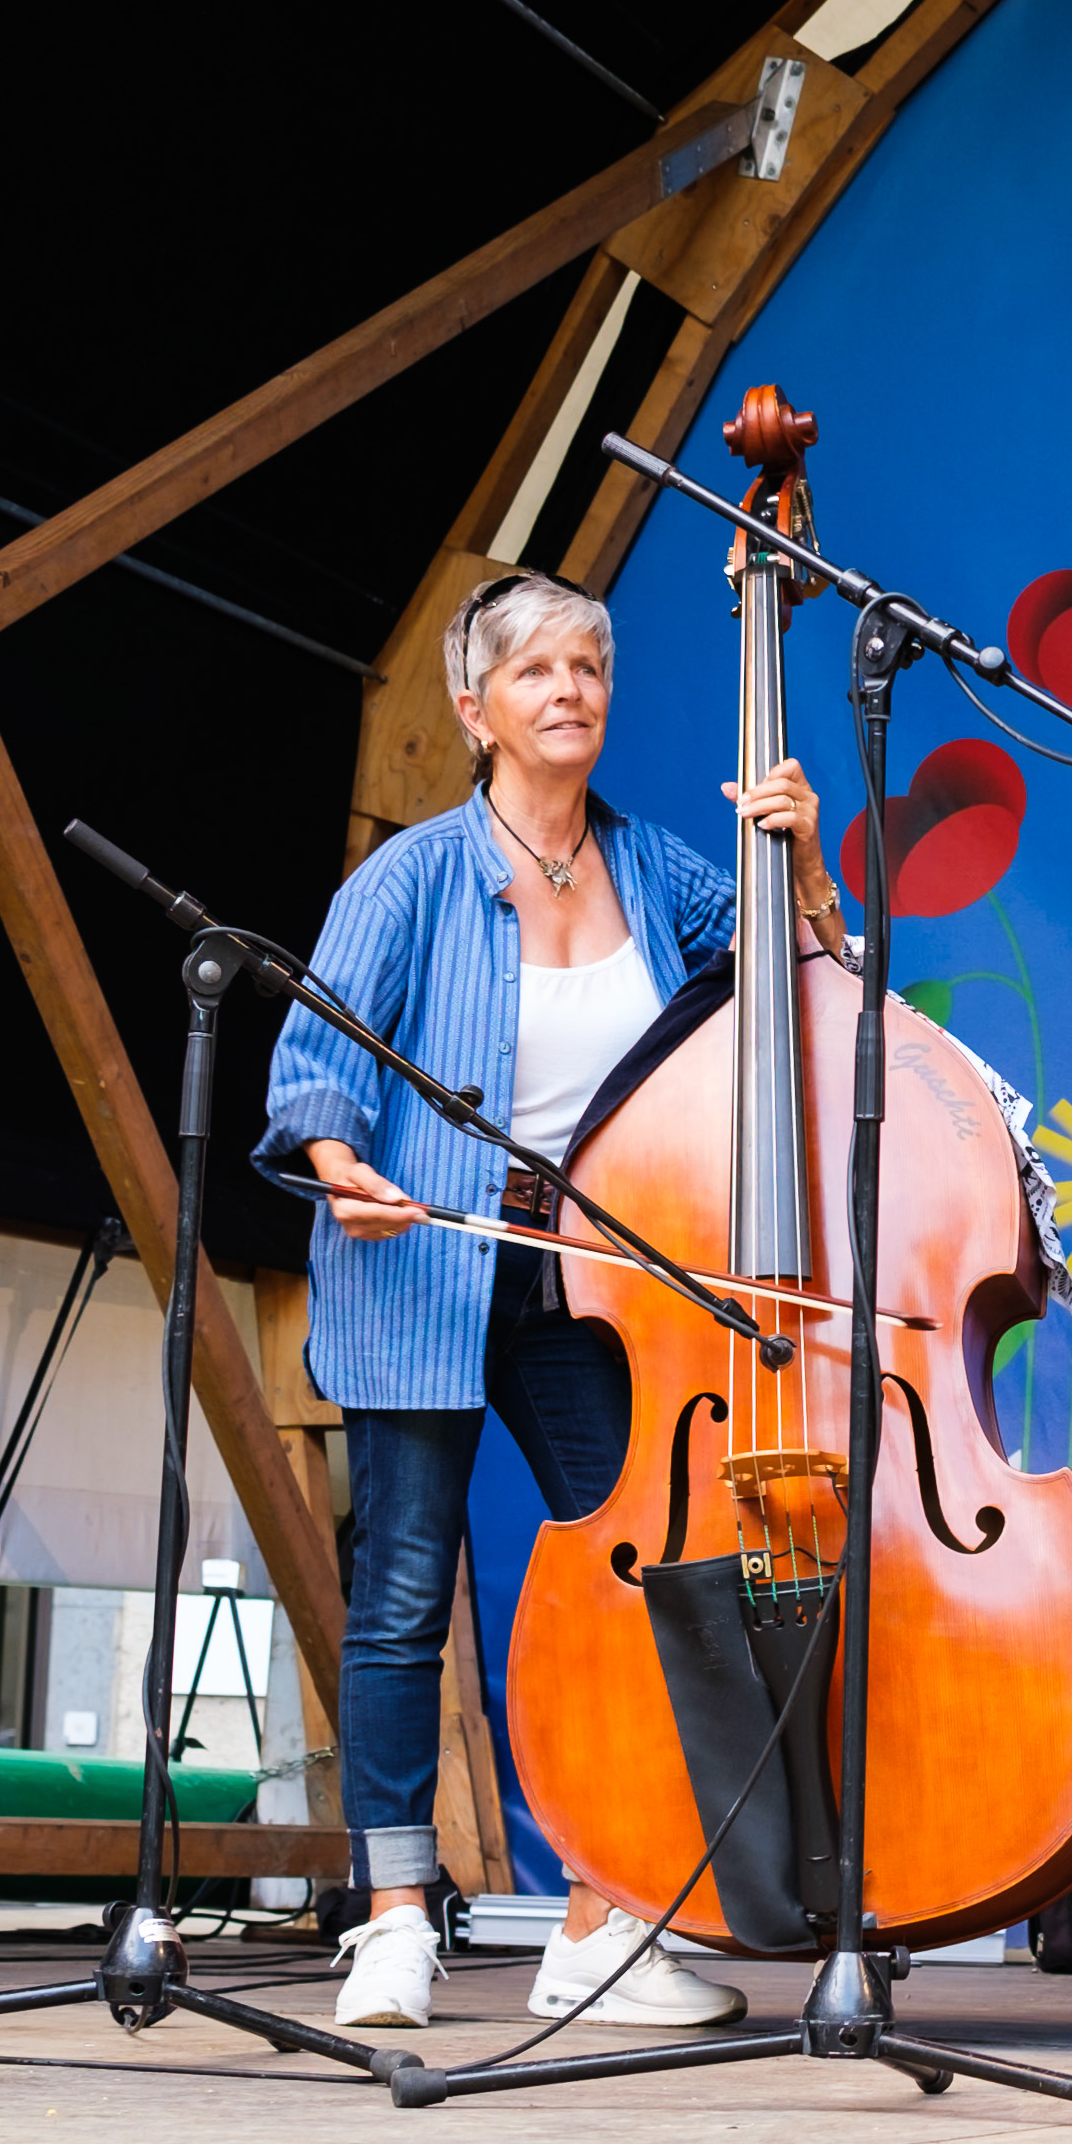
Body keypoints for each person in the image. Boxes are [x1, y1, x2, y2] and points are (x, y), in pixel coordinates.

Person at [259, 571, 854, 2032]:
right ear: (476, 710)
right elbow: (317, 1052)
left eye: (590, 664)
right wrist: (342, 1165)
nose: (570, 689)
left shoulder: (658, 870)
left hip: (601, 1282)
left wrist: (806, 862)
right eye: (535, 670)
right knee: (404, 1594)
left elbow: (811, 981)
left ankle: (600, 1917)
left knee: (643, 1582)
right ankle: (394, 1912)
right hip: (426, 1262)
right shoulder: (408, 877)